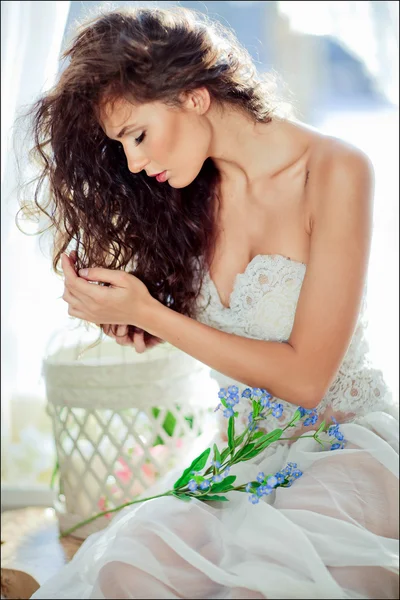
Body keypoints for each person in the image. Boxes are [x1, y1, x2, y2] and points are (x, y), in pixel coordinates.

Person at [18, 5, 398, 599]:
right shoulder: (189, 195)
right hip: (240, 458)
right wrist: (137, 317)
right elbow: (211, 334)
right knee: (126, 571)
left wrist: (155, 315)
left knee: (272, 582)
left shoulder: (335, 169)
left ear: (193, 96)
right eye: (122, 147)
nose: (135, 162)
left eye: (137, 135)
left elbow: (305, 379)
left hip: (344, 448)